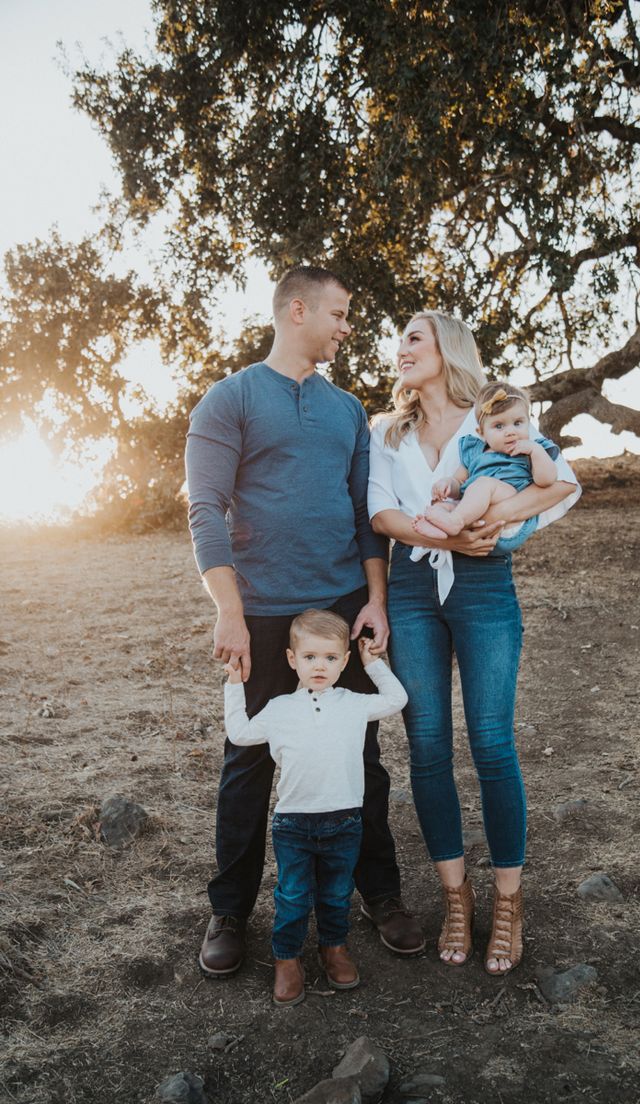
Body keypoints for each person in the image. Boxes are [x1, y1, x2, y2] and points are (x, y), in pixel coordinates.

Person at [186, 266, 425, 981]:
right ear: (297, 311)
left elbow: (364, 516)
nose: (348, 328)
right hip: (259, 612)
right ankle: (230, 910)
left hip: (341, 606)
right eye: (340, 313)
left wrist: (374, 601)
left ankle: (380, 897)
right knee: (250, 759)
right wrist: (228, 610)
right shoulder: (228, 401)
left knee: (361, 757)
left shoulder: (349, 411)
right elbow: (205, 511)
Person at [368, 310, 581, 975]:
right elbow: (381, 514)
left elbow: (565, 485)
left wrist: (499, 512)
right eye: (398, 339)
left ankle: (509, 904)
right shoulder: (386, 431)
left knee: (491, 743)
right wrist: (446, 535)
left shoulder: (492, 414)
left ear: (446, 349)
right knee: (427, 747)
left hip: (486, 587)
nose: (400, 348)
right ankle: (455, 898)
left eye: (414, 338)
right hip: (409, 590)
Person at [223, 609, 407, 1006]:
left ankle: (333, 947)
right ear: (292, 660)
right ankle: (286, 957)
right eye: (309, 658)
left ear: (344, 661)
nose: (319, 666)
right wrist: (234, 684)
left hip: (345, 822)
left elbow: (398, 699)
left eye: (329, 658)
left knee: (337, 892)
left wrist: (373, 663)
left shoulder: (355, 704)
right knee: (292, 895)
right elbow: (239, 732)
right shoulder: (278, 709)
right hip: (293, 824)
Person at [413, 382, 559, 552]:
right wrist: (448, 484)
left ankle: (455, 522)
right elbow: (459, 484)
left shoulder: (532, 449)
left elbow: (547, 480)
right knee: (442, 506)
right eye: (499, 426)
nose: (510, 431)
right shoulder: (475, 452)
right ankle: (438, 526)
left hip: (511, 515)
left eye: (518, 423)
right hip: (477, 516)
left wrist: (536, 451)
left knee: (483, 484)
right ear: (481, 432)